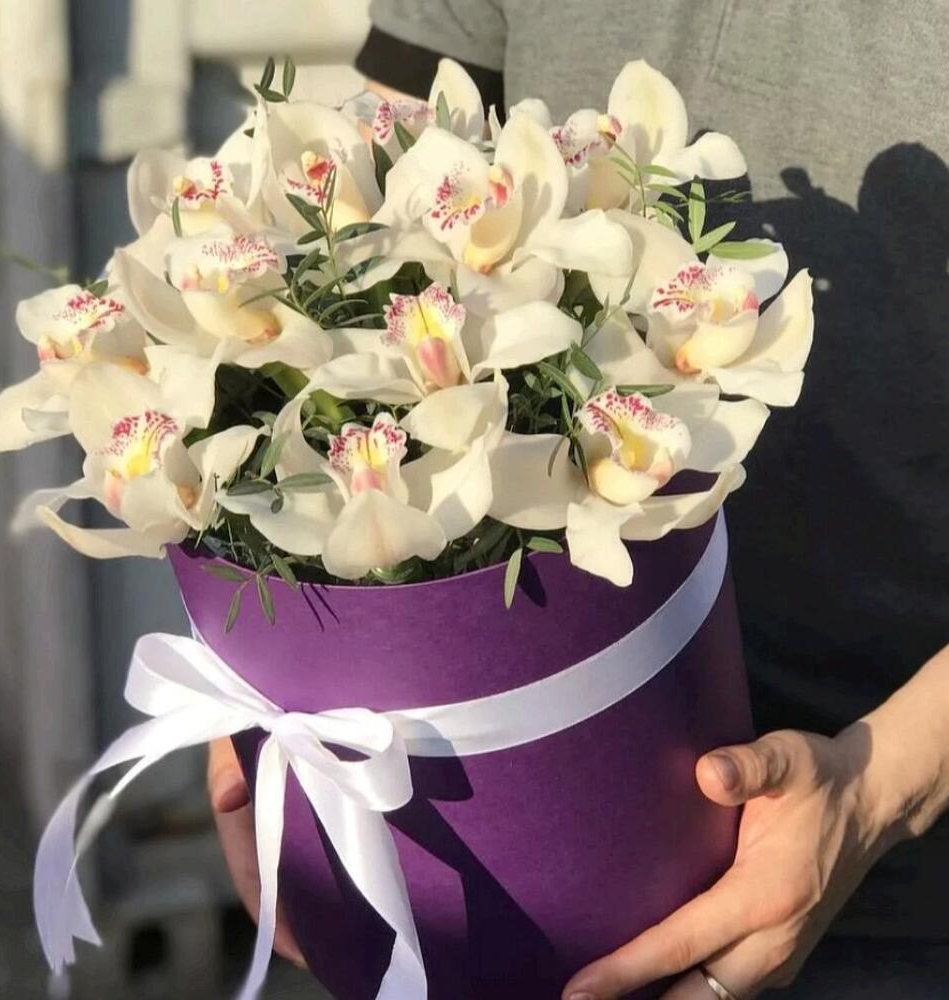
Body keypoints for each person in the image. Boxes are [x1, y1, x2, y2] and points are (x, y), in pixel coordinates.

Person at [208, 2, 949, 996]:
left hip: (904, 872)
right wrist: (261, 660)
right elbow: (387, 164)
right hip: (480, 815)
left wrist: (874, 791)